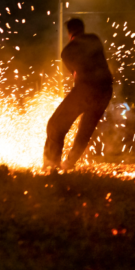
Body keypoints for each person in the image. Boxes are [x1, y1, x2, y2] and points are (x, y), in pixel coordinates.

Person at [44, 18, 113, 170]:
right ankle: (69, 163)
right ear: (83, 28)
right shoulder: (94, 39)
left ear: (69, 33)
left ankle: (51, 165)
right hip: (105, 90)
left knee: (55, 124)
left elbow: (75, 72)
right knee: (85, 130)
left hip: (86, 90)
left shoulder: (67, 52)